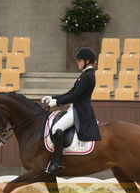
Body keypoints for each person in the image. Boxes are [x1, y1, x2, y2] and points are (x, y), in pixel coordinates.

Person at [41, 47, 102, 176]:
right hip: (75, 108)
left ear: (86, 61)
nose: (77, 63)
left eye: (79, 60)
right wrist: (53, 97)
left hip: (80, 111)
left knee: (57, 128)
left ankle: (57, 162)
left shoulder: (88, 76)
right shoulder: (84, 75)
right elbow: (70, 92)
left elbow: (75, 96)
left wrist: (57, 103)